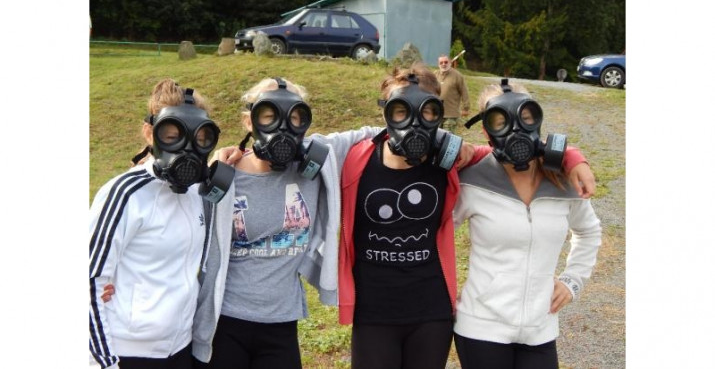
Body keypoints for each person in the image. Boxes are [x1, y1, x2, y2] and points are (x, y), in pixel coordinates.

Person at [337, 64, 595, 369]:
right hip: (396, 315)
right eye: (400, 111)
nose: (516, 131)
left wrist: (569, 155)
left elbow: (494, 155)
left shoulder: (455, 166)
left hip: (441, 314)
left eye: (429, 111)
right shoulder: (358, 161)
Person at [191, 77, 385, 369]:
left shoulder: (318, 161)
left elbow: (380, 131)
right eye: (269, 116)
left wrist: (450, 144)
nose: (282, 127)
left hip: (282, 320)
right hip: (227, 320)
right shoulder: (223, 177)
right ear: (248, 121)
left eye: (294, 118)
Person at [452, 79, 602, 369]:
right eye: (500, 122)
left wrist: (572, 281)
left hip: (539, 329)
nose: (515, 130)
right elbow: (436, 234)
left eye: (526, 118)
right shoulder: (473, 179)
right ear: (487, 131)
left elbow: (589, 230)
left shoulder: (562, 179)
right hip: (481, 326)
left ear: (537, 120)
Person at [89, 79, 234, 369]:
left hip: (181, 347)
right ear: (150, 133)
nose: (187, 149)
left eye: (200, 139)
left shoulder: (197, 193)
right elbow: (89, 280)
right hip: (129, 351)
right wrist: (105, 362)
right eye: (172, 136)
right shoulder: (125, 193)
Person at [435, 54, 469, 133]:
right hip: (437, 114)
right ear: (438, 64)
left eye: (446, 62)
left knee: (447, 137)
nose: (444, 64)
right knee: (435, 137)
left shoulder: (458, 76)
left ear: (450, 62)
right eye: (441, 63)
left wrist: (466, 108)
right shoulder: (435, 75)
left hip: (451, 115)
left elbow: (464, 92)